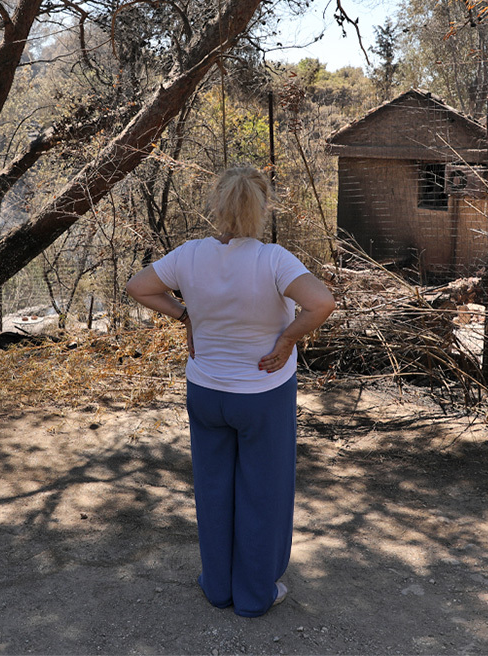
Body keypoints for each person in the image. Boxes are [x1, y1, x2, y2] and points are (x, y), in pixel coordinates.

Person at [126, 166, 335, 618]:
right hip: (262, 395)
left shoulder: (189, 255)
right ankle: (255, 595)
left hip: (205, 392)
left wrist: (186, 317)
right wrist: (286, 339)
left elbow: (138, 287)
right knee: (264, 492)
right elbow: (322, 303)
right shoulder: (274, 259)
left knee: (214, 487)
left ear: (217, 205)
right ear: (262, 208)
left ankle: (218, 587)